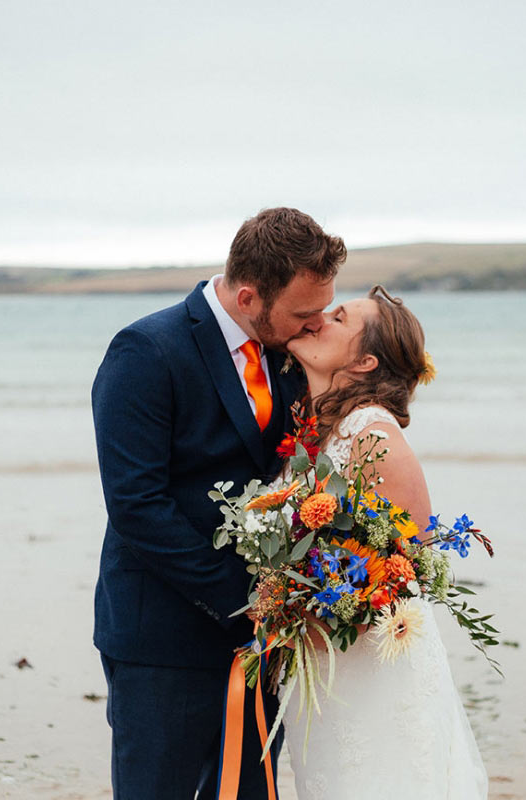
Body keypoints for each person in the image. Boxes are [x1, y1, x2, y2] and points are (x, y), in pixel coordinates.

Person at [91, 208, 346, 798]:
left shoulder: (289, 351)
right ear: (251, 295)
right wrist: (245, 601)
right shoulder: (146, 352)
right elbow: (136, 505)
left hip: (266, 637)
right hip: (163, 639)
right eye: (303, 315)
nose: (314, 328)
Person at [280, 285, 488, 799]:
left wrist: (313, 604)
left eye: (338, 317)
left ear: (365, 360)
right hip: (331, 675)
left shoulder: (375, 438)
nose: (318, 319)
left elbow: (402, 571)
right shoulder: (322, 431)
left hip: (373, 677)